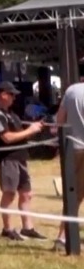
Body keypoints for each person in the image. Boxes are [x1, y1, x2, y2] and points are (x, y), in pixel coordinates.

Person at [0, 81, 46, 241]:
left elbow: (19, 134)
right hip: (7, 159)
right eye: (12, 94)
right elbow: (6, 138)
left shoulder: (11, 114)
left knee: (26, 194)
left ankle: (28, 228)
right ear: (3, 95)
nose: (14, 98)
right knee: (9, 193)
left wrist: (33, 128)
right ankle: (7, 229)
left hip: (20, 157)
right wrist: (30, 130)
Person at [54, 76, 84, 250]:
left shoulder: (71, 91)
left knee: (73, 195)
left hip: (73, 147)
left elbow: (60, 120)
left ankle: (62, 237)